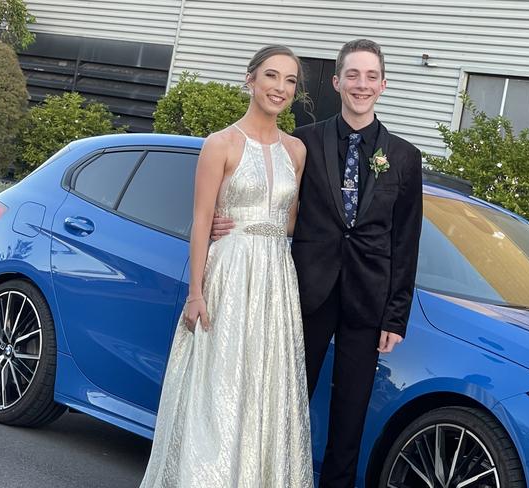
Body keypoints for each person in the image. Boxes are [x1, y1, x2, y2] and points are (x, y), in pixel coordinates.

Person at [213, 39, 423, 488]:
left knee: (350, 413)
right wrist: (226, 219)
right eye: (352, 75)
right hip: (305, 291)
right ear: (337, 81)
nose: (361, 85)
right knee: (286, 400)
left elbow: (406, 241)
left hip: (368, 300)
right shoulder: (303, 142)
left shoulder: (404, 158)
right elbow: (270, 200)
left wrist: (396, 315)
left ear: (383, 85)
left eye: (370, 76)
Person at [139, 45, 314, 488]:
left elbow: (290, 222)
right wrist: (195, 292)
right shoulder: (221, 144)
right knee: (220, 386)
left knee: (265, 388)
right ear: (250, 79)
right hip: (230, 274)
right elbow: (200, 222)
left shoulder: (297, 151)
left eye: (290, 81)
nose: (280, 88)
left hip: (276, 279)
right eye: (271, 76)